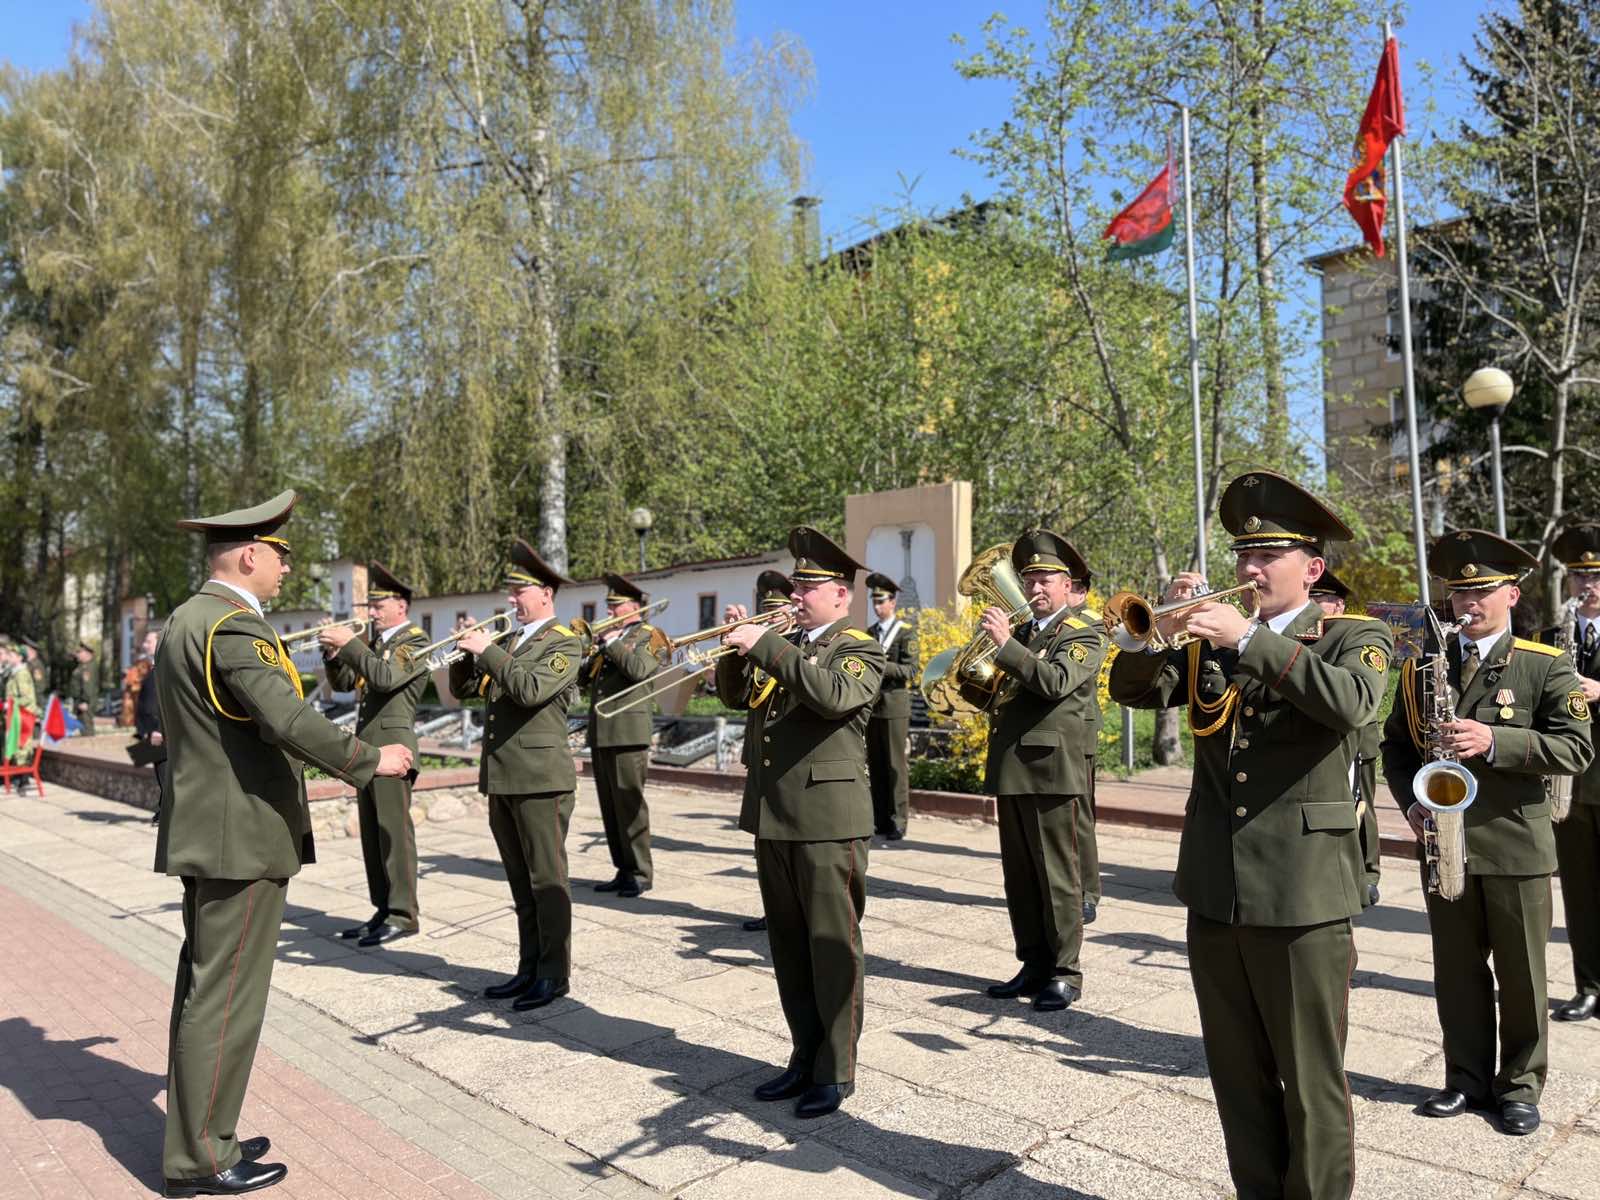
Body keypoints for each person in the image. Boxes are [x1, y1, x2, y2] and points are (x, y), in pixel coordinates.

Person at [1109, 469, 1391, 1200]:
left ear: (1313, 568)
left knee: (1311, 1081)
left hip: (1302, 892)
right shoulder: (1211, 639)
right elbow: (1132, 691)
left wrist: (1253, 641)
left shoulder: (1354, 635)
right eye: (1243, 557)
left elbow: (1353, 706)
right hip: (1216, 887)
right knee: (1236, 1075)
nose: (1250, 570)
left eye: (1268, 557)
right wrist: (1154, 636)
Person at [155, 490, 412, 1198]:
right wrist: (371, 761)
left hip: (208, 830)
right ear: (248, 553)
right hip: (241, 837)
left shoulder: (185, 619)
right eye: (280, 555)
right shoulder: (237, 627)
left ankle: (208, 1134)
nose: (285, 570)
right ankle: (203, 1156)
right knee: (225, 998)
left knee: (204, 988)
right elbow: (289, 717)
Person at [1383, 529, 1593, 1137]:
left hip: (1514, 843)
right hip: (1444, 843)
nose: (1465, 604)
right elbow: (1395, 748)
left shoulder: (1542, 664)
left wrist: (1495, 740)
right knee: (1457, 970)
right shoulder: (1424, 668)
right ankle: (1465, 1079)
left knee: (1523, 975)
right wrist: (1411, 803)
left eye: (1479, 592)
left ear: (1510, 593)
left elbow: (1575, 748)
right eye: (1457, 594)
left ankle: (1521, 1086)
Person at [715, 527, 883, 1119]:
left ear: (841, 594)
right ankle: (803, 1054)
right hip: (774, 814)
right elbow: (739, 699)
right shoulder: (784, 641)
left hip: (828, 820)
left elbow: (833, 696)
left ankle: (835, 1069)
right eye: (796, 584)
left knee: (832, 947)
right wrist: (738, 651)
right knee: (787, 949)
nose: (797, 594)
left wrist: (766, 645)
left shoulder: (857, 646)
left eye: (809, 587)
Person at [973, 531, 1106, 1012]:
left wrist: (1006, 646)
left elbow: (1054, 682)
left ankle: (1066, 972)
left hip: (1053, 769)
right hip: (1014, 767)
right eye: (1028, 577)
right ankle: (1032, 963)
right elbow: (997, 696)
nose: (1033, 587)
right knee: (1021, 877)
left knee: (1058, 878)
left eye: (1044, 578)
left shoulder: (1083, 632)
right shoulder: (1026, 631)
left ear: (1068, 585)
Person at [450, 539, 583, 1011]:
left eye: (519, 591)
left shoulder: (566, 643)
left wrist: (488, 651)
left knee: (547, 880)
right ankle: (528, 967)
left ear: (545, 593)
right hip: (504, 776)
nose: (511, 600)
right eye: (510, 591)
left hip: (541, 779)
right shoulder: (508, 642)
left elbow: (529, 690)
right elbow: (465, 688)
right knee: (519, 880)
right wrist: (468, 651)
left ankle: (554, 972)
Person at [321, 562, 431, 947]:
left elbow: (385, 678)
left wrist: (350, 644)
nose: (371, 611)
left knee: (393, 835)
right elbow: (346, 684)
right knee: (372, 836)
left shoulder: (415, 642)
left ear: (400, 605)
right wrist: (334, 654)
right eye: (371, 604)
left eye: (378, 604)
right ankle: (383, 908)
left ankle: (403, 914)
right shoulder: (379, 644)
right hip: (371, 750)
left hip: (395, 749)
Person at [584, 573, 672, 898]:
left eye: (616, 606)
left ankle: (641, 871)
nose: (610, 612)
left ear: (633, 606)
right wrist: (592, 652)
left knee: (630, 805)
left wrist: (611, 643)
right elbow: (584, 680)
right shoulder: (612, 638)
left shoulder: (652, 635)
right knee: (609, 808)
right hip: (602, 731)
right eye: (609, 606)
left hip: (629, 732)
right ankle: (622, 868)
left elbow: (638, 670)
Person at [1547, 524, 1600, 1022]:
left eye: (1598, 575)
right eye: (1581, 576)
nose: (1590, 586)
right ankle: (1589, 984)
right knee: (1579, 892)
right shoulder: (1552, 637)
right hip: (1572, 785)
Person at [1311, 569, 1383, 907]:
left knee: (1361, 803)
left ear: (1337, 604)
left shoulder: (1352, 633)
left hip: (1358, 735)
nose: (1315, 606)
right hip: (1325, 738)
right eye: (1312, 598)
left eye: (1320, 600)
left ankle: (1367, 873)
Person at [738, 568, 794, 935]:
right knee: (763, 838)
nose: (772, 618)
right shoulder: (762, 642)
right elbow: (739, 693)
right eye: (767, 611)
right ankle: (771, 907)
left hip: (788, 756)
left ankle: (789, 909)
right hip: (759, 749)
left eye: (779, 611)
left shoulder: (798, 646)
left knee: (785, 839)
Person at [865, 572, 916, 842]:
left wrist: (881, 665)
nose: (877, 606)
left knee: (896, 766)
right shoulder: (869, 633)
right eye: (874, 601)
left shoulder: (905, 633)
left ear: (893, 602)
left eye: (881, 601)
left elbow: (910, 670)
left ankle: (898, 822)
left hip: (895, 706)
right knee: (876, 765)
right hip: (874, 707)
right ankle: (880, 820)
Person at [3, 637, 41, 791]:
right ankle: (20, 778)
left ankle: (24, 780)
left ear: (20, 658)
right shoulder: (15, 673)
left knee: (23, 746)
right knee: (18, 746)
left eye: (11, 655)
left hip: (23, 715)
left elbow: (26, 698)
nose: (8, 657)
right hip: (17, 715)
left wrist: (10, 704)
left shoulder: (22, 674)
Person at [68, 641, 100, 737]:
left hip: (85, 703)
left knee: (87, 730)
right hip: (80, 702)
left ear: (87, 653)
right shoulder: (83, 666)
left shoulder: (88, 668)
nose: (77, 655)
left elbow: (88, 687)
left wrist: (85, 701)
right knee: (83, 729)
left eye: (79, 652)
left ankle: (91, 750)